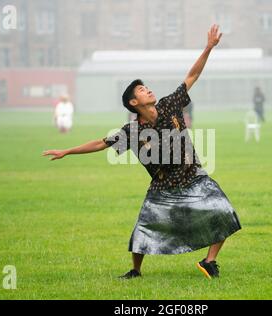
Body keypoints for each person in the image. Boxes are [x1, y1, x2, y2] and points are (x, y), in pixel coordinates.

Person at [43, 25, 241, 280]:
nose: (147, 89)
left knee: (223, 210)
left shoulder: (170, 103)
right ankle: (136, 270)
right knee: (144, 227)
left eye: (146, 87)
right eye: (141, 90)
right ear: (134, 103)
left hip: (194, 176)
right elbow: (101, 143)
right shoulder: (132, 131)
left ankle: (209, 261)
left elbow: (192, 76)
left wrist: (208, 48)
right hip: (163, 185)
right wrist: (67, 151)